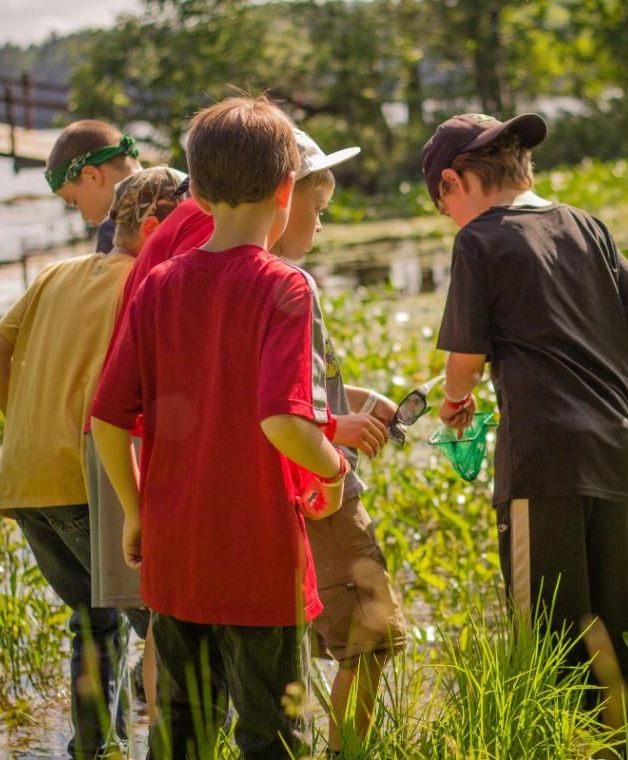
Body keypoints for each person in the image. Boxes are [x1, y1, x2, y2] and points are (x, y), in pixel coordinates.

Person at [90, 96, 348, 760]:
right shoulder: (284, 285)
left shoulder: (160, 283)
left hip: (178, 553)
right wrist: (334, 469)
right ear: (288, 189)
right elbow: (281, 421)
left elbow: (108, 416)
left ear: (197, 193)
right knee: (271, 736)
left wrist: (133, 510)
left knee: (182, 733)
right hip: (259, 558)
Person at [423, 113, 628, 734]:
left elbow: (464, 365)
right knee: (620, 619)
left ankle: (564, 743)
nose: (451, 218)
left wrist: (454, 402)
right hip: (614, 445)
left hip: (542, 459)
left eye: (442, 204)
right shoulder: (586, 225)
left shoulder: (478, 241)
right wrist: (615, 402)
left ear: (453, 182)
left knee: (552, 634)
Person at [0, 166, 183, 759]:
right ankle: (172, 747)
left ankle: (94, 749)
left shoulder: (56, 273)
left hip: (24, 480)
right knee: (164, 624)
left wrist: (18, 413)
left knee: (90, 623)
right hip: (87, 478)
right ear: (155, 226)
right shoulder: (145, 285)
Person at [271, 129, 407, 754]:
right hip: (319, 486)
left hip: (281, 483)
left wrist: (361, 402)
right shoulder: (288, 282)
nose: (321, 226)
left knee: (281, 639)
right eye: (318, 211)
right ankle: (347, 752)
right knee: (371, 636)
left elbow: (299, 383)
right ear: (284, 197)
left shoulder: (226, 277)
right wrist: (336, 431)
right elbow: (280, 407)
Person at [45, 119, 143, 252]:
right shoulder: (178, 190)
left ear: (92, 175)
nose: (84, 217)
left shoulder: (115, 231)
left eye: (74, 202)